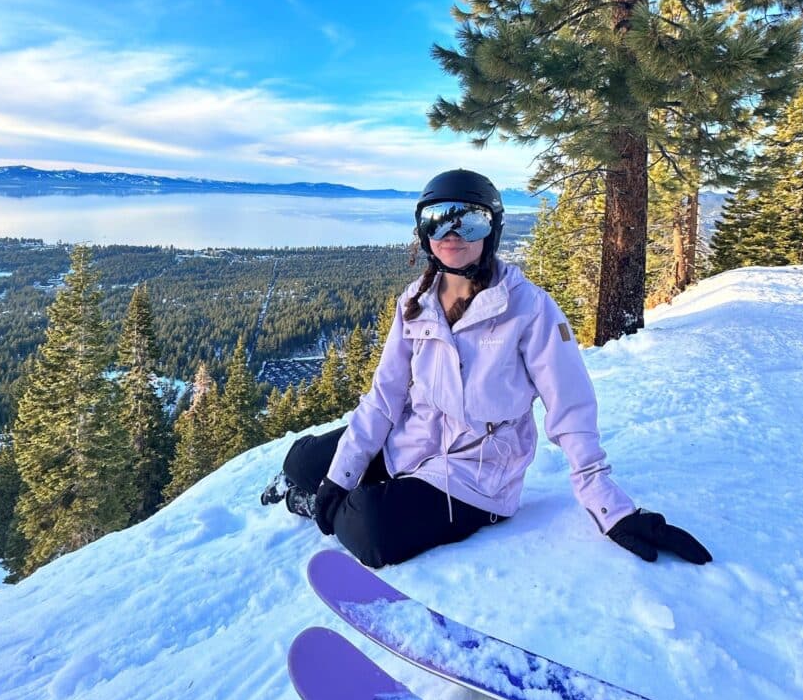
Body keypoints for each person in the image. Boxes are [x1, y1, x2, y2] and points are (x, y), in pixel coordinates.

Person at [261, 169, 711, 569]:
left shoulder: (529, 309)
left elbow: (570, 407)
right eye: (438, 219)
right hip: (413, 442)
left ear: (491, 230)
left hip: (476, 473)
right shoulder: (414, 305)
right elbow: (383, 398)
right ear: (423, 233)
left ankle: (318, 504)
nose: (452, 232)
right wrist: (338, 478)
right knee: (304, 461)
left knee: (372, 531)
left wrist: (610, 507)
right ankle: (326, 491)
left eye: (469, 219)